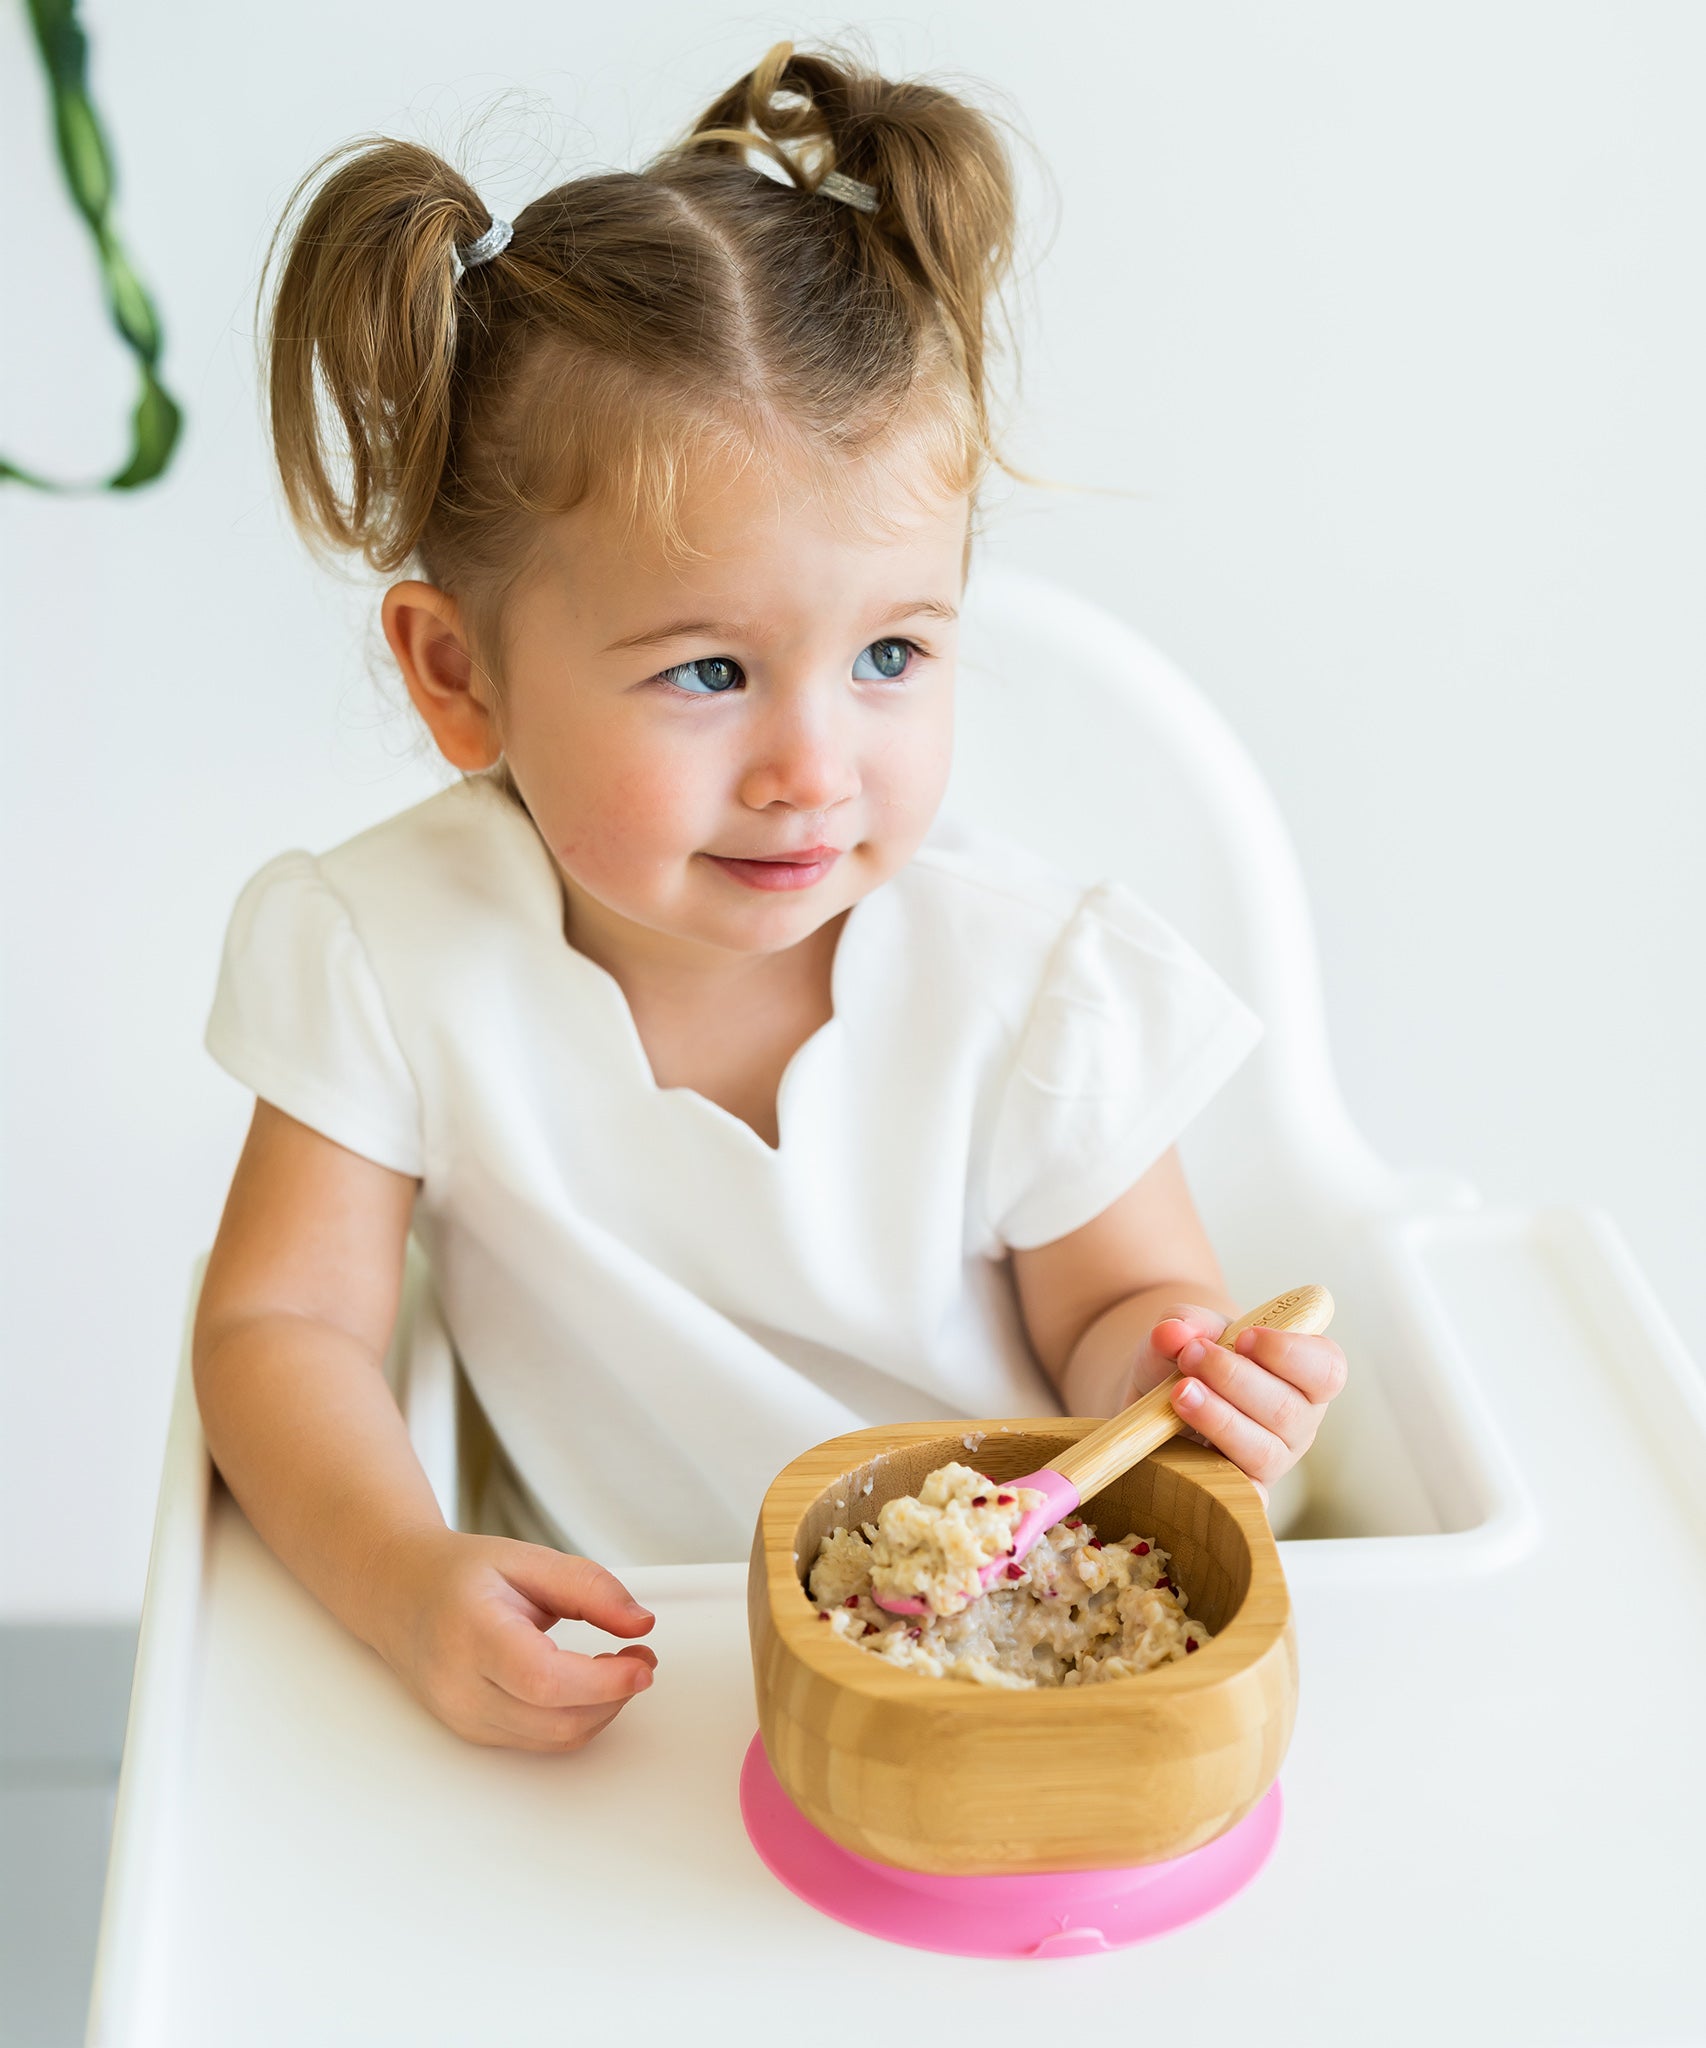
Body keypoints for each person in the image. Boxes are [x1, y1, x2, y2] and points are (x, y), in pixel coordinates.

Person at [194, 41, 1348, 1756]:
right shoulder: (385, 955)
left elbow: (1115, 1314)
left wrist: (1180, 1386)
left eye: (889, 653)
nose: (812, 765)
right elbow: (283, 1327)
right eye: (708, 670)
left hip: (1022, 1658)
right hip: (633, 1669)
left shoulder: (1031, 990)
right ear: (461, 678)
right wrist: (400, 1573)